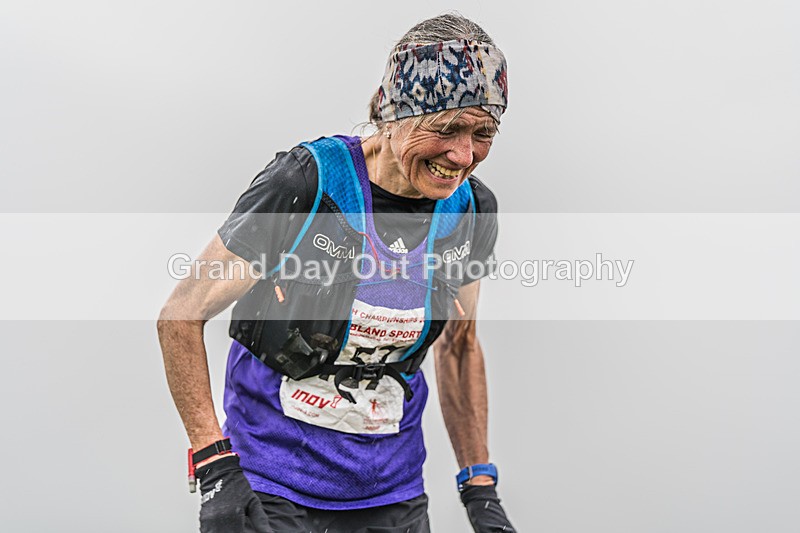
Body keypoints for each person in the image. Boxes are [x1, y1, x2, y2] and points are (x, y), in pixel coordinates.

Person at [158, 13, 516, 533]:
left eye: (483, 133)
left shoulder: (470, 213)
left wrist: (481, 491)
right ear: (390, 113)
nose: (463, 156)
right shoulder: (307, 184)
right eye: (446, 128)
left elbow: (459, 346)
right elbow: (180, 317)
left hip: (391, 493)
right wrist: (214, 466)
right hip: (274, 487)